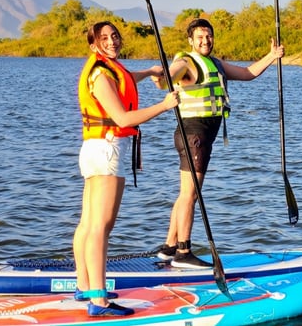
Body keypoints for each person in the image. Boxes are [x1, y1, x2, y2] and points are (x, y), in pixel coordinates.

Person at [155, 18, 284, 269]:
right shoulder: (186, 62)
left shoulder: (215, 63)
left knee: (186, 194)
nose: (206, 41)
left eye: (209, 36)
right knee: (190, 194)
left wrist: (272, 56)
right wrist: (162, 80)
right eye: (200, 37)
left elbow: (247, 74)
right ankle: (183, 252)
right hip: (194, 133)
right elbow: (169, 78)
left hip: (203, 135)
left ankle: (169, 247)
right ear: (190, 41)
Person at [73, 21, 179, 317]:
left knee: (87, 224)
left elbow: (126, 78)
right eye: (103, 38)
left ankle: (84, 286)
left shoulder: (106, 68)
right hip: (107, 150)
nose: (111, 41)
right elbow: (122, 118)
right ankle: (99, 299)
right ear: (93, 45)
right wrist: (164, 105)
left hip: (96, 148)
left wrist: (149, 72)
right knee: (100, 227)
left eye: (114, 35)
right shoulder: (100, 74)